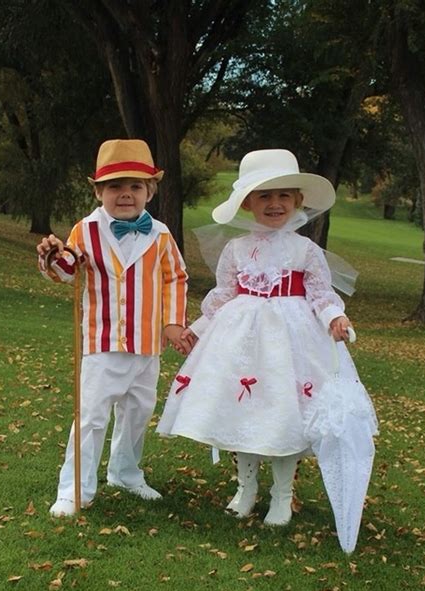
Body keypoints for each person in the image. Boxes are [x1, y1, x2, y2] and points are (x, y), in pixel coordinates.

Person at [157, 149, 366, 526]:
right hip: (242, 344)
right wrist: (197, 329)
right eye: (265, 196)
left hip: (291, 346)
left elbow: (320, 293)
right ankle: (246, 487)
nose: (275, 204)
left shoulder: (306, 250)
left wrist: (335, 316)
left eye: (284, 195)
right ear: (248, 202)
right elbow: (223, 297)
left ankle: (282, 495)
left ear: (297, 201)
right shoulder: (236, 249)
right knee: (244, 415)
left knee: (285, 418)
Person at [37, 139, 192, 517]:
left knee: (138, 410)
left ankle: (125, 471)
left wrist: (172, 323)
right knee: (91, 416)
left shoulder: (162, 235)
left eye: (135, 186)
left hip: (145, 343)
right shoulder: (85, 230)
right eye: (115, 187)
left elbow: (175, 279)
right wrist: (53, 257)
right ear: (98, 191)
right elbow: (67, 271)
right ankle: (75, 488)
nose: (126, 194)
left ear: (150, 192)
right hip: (103, 342)